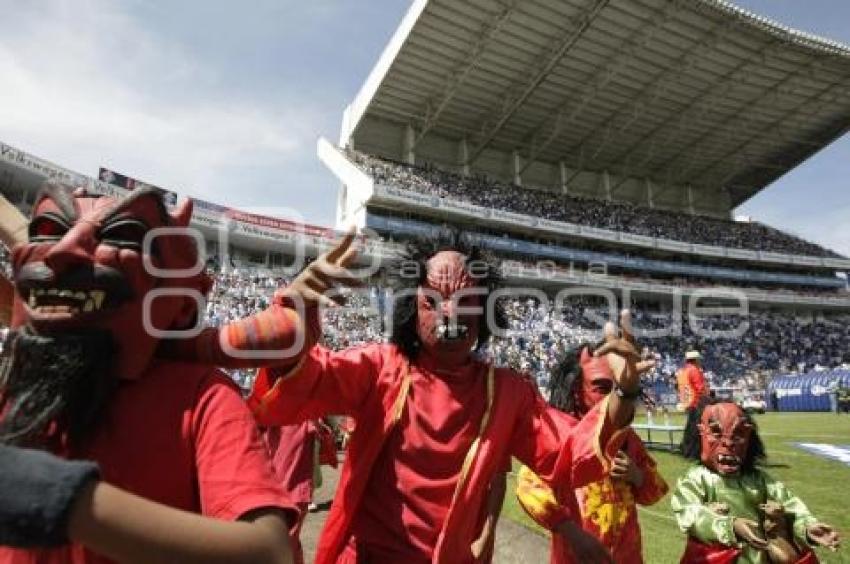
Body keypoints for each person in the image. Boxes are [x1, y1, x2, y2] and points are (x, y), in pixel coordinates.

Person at [168, 234, 653, 563]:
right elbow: (296, 391)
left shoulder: (507, 393)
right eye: (432, 300)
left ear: (486, 314)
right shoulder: (377, 368)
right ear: (410, 307)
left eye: (466, 302)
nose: (449, 314)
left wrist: (623, 395)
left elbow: (568, 458)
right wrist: (295, 311)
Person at [0, 183, 296, 563]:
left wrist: (63, 499)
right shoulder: (17, 384)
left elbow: (268, 552)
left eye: (123, 235)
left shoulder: (200, 397)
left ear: (183, 306)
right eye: (48, 230)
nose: (61, 252)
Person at [515, 343, 669, 563]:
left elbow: (655, 492)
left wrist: (636, 475)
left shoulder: (628, 439)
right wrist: (572, 533)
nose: (614, 396)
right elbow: (528, 486)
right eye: (602, 388)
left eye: (619, 387)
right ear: (576, 390)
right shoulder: (560, 436)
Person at [671, 399, 840, 563]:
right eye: (716, 432)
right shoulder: (696, 479)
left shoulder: (759, 479)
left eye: (739, 434)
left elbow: (790, 505)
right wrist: (729, 526)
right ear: (700, 434)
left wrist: (807, 527)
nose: (728, 443)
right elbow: (689, 513)